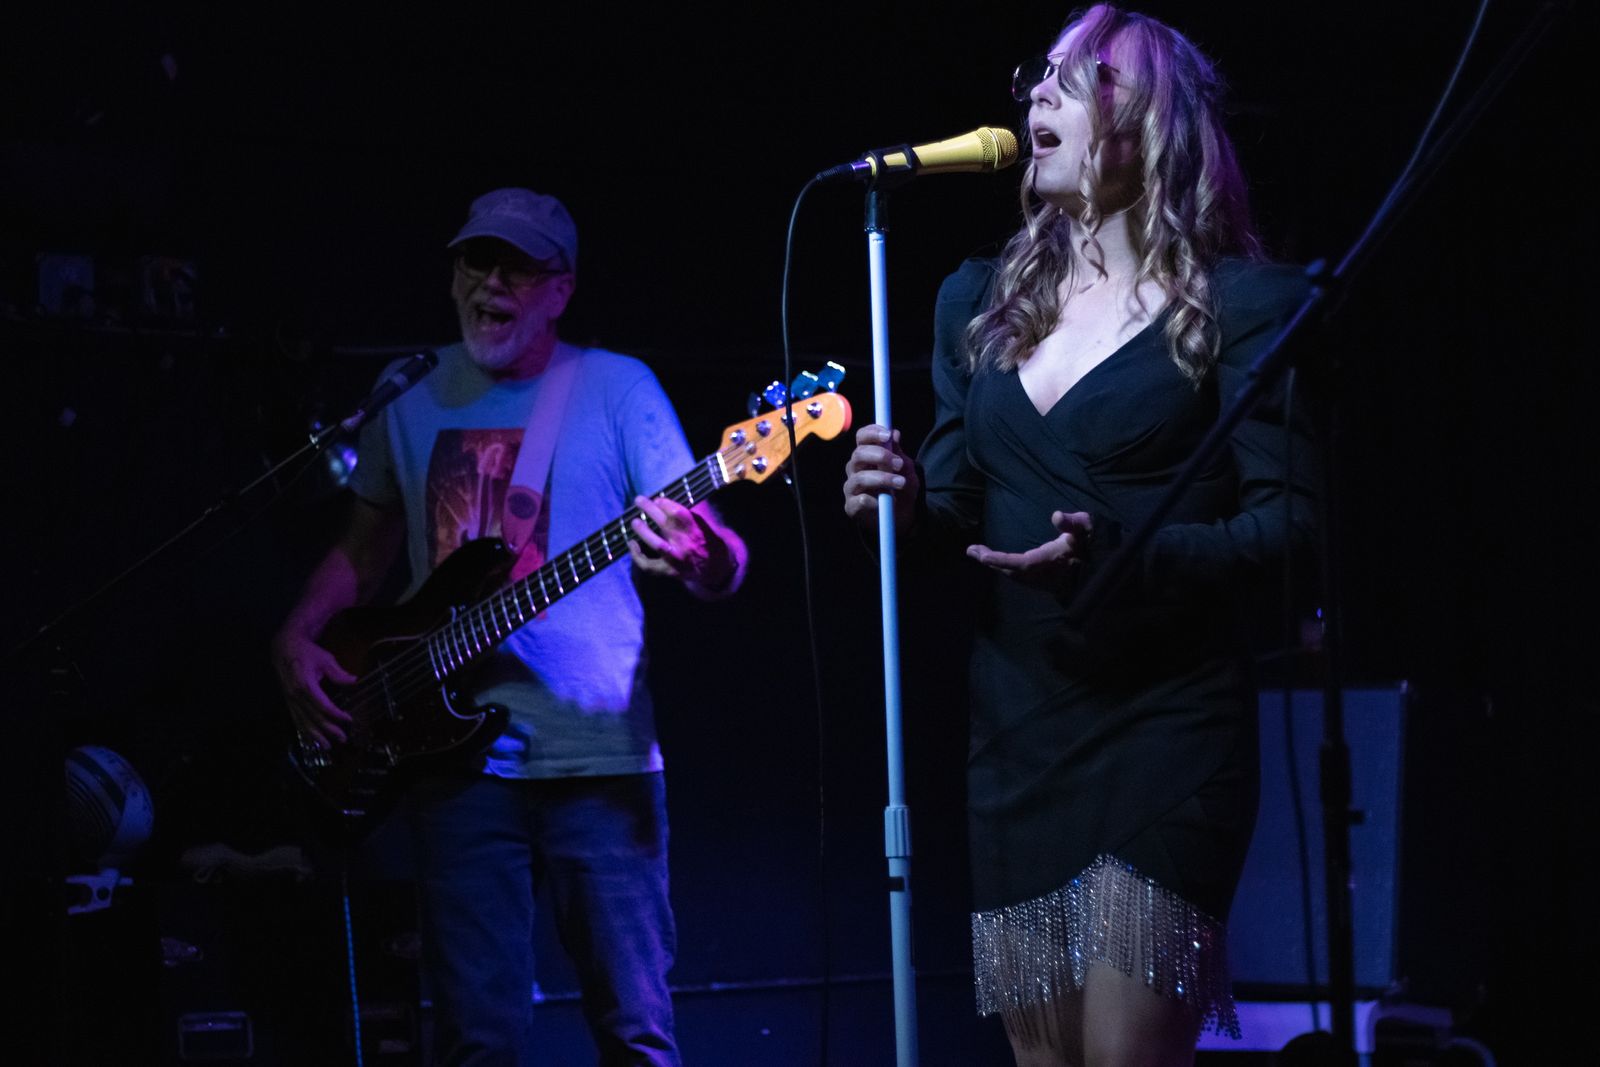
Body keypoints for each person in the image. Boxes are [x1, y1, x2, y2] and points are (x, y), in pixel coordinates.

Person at [843, 6, 1315, 1065]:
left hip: (1166, 728)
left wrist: (1126, 552)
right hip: (1019, 733)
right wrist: (902, 505)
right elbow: (957, 521)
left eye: (1086, 75)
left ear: (1159, 124)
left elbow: (1290, 532)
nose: (1041, 93)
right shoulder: (976, 302)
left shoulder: (1241, 305)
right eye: (1041, 73)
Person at [272, 187, 747, 1066]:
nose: (491, 281)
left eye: (517, 268)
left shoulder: (617, 387)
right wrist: (296, 634)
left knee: (637, 1033)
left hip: (598, 761)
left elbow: (714, 553)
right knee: (475, 1041)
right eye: (475, 260)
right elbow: (363, 553)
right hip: (451, 768)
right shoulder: (409, 392)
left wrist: (703, 554)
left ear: (561, 289)